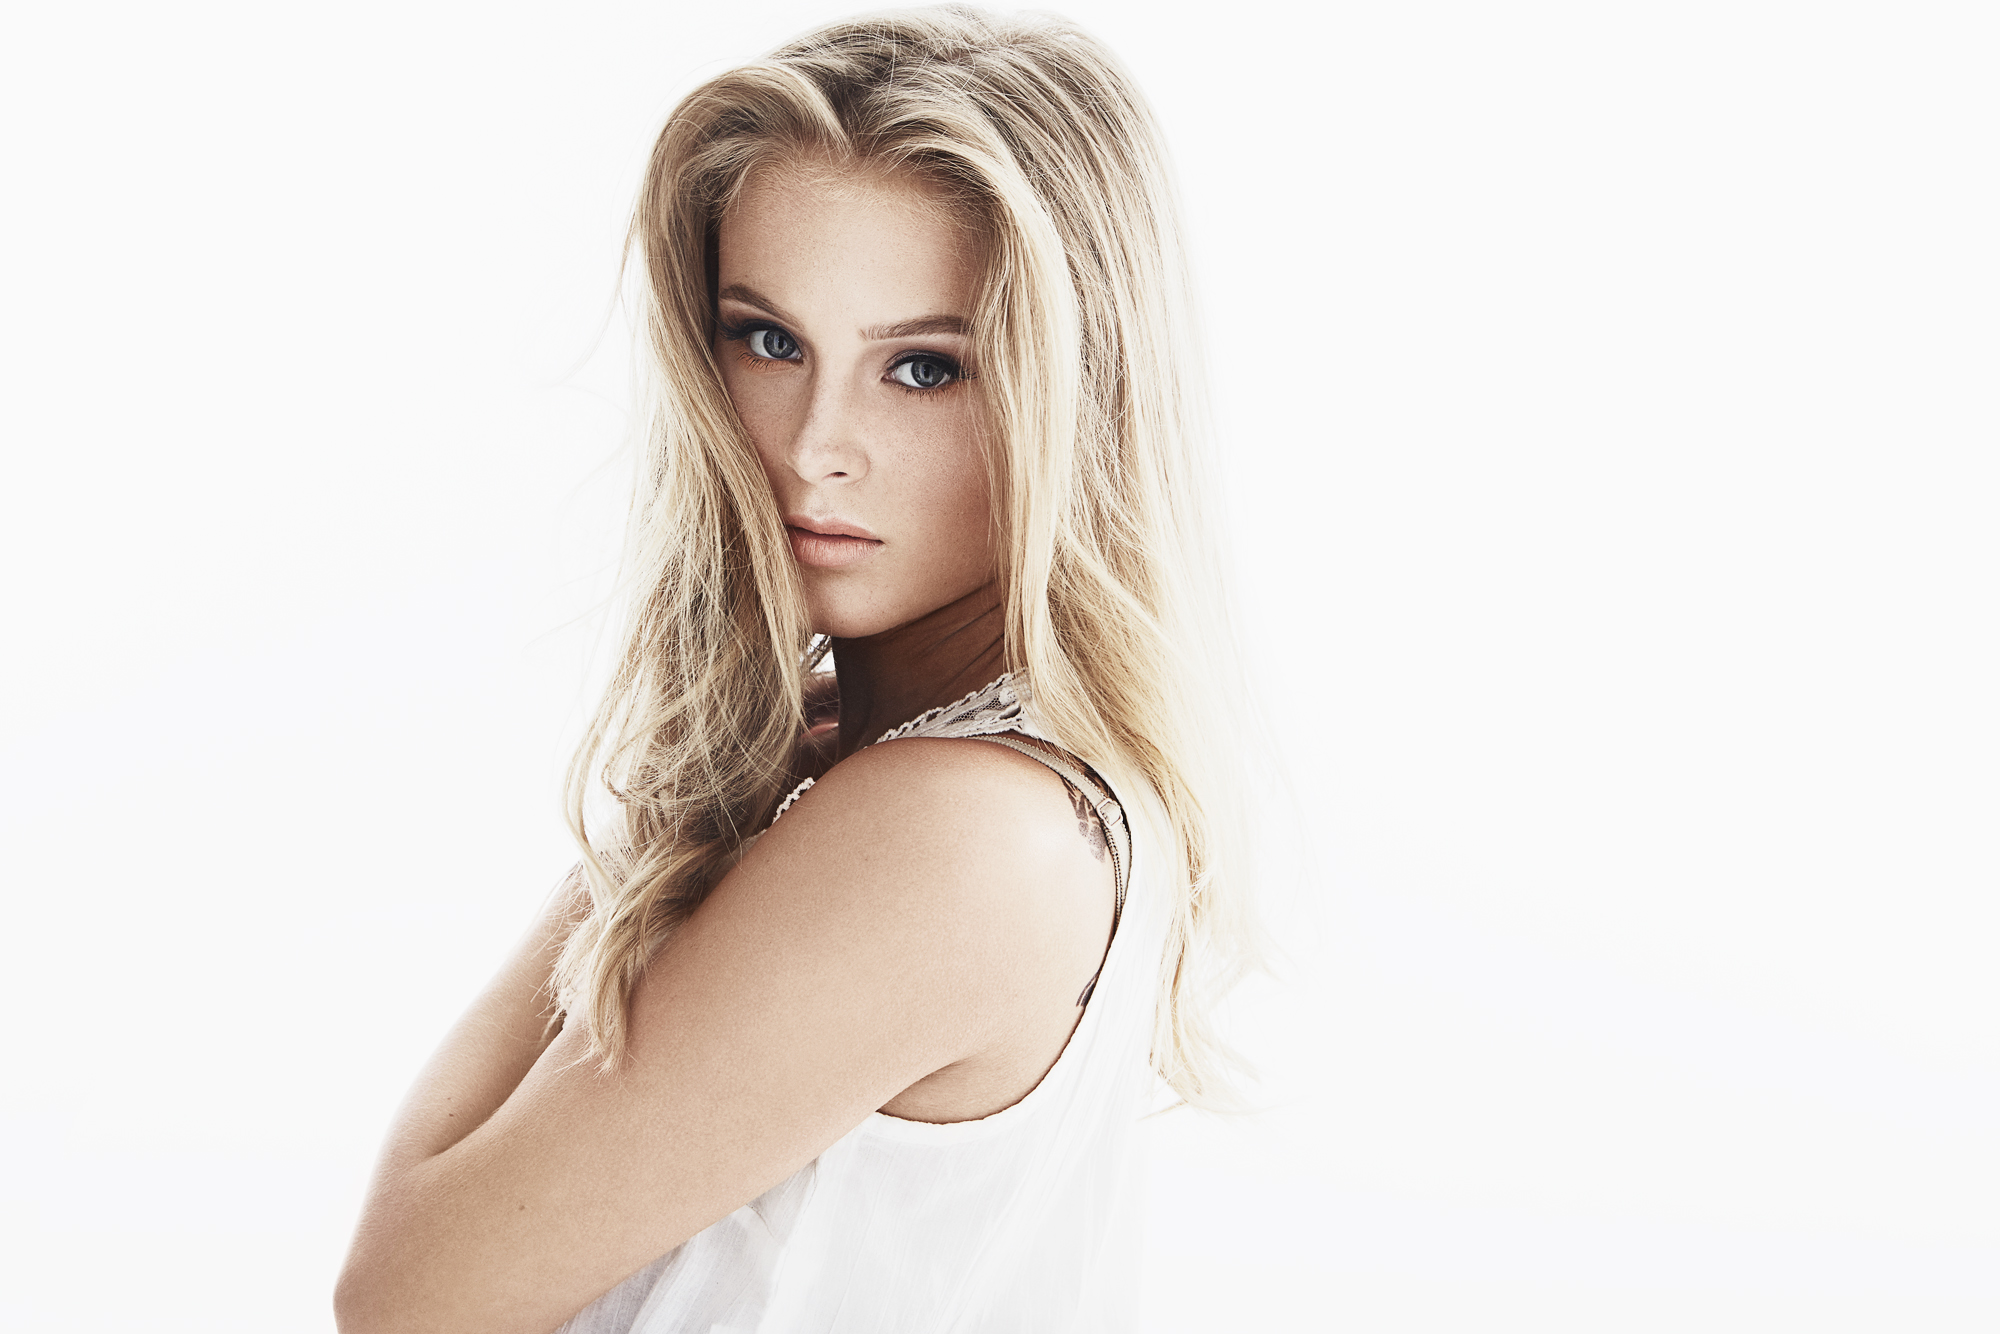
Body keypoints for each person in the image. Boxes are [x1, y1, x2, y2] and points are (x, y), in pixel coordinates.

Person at [335, 7, 1259, 1331]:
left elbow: (406, 1293)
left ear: (1077, 389)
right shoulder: (969, 787)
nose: (817, 444)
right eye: (769, 341)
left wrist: (685, 810)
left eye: (924, 367)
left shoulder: (958, 825)